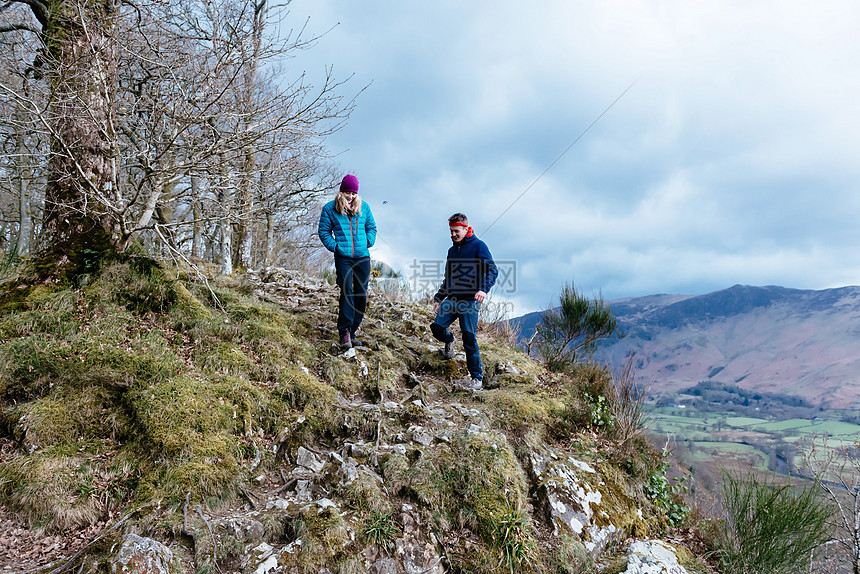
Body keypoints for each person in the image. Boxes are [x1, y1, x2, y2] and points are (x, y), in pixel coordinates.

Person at [431, 213, 498, 390]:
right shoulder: (452, 251)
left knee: (469, 338)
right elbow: (448, 277)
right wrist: (439, 297)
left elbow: (492, 271)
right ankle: (450, 340)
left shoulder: (478, 246)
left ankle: (477, 378)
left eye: (456, 231)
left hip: (470, 301)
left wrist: (483, 289)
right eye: (451, 231)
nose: (452, 235)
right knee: (436, 328)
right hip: (452, 299)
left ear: (466, 228)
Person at [318, 174, 377, 350]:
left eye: (352, 193)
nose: (349, 196)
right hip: (343, 257)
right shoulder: (330, 208)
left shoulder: (364, 207)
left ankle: (352, 332)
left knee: (361, 295)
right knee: (347, 292)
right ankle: (344, 332)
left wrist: (368, 241)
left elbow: (372, 227)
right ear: (341, 191)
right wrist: (335, 247)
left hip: (362, 257)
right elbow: (324, 231)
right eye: (346, 192)